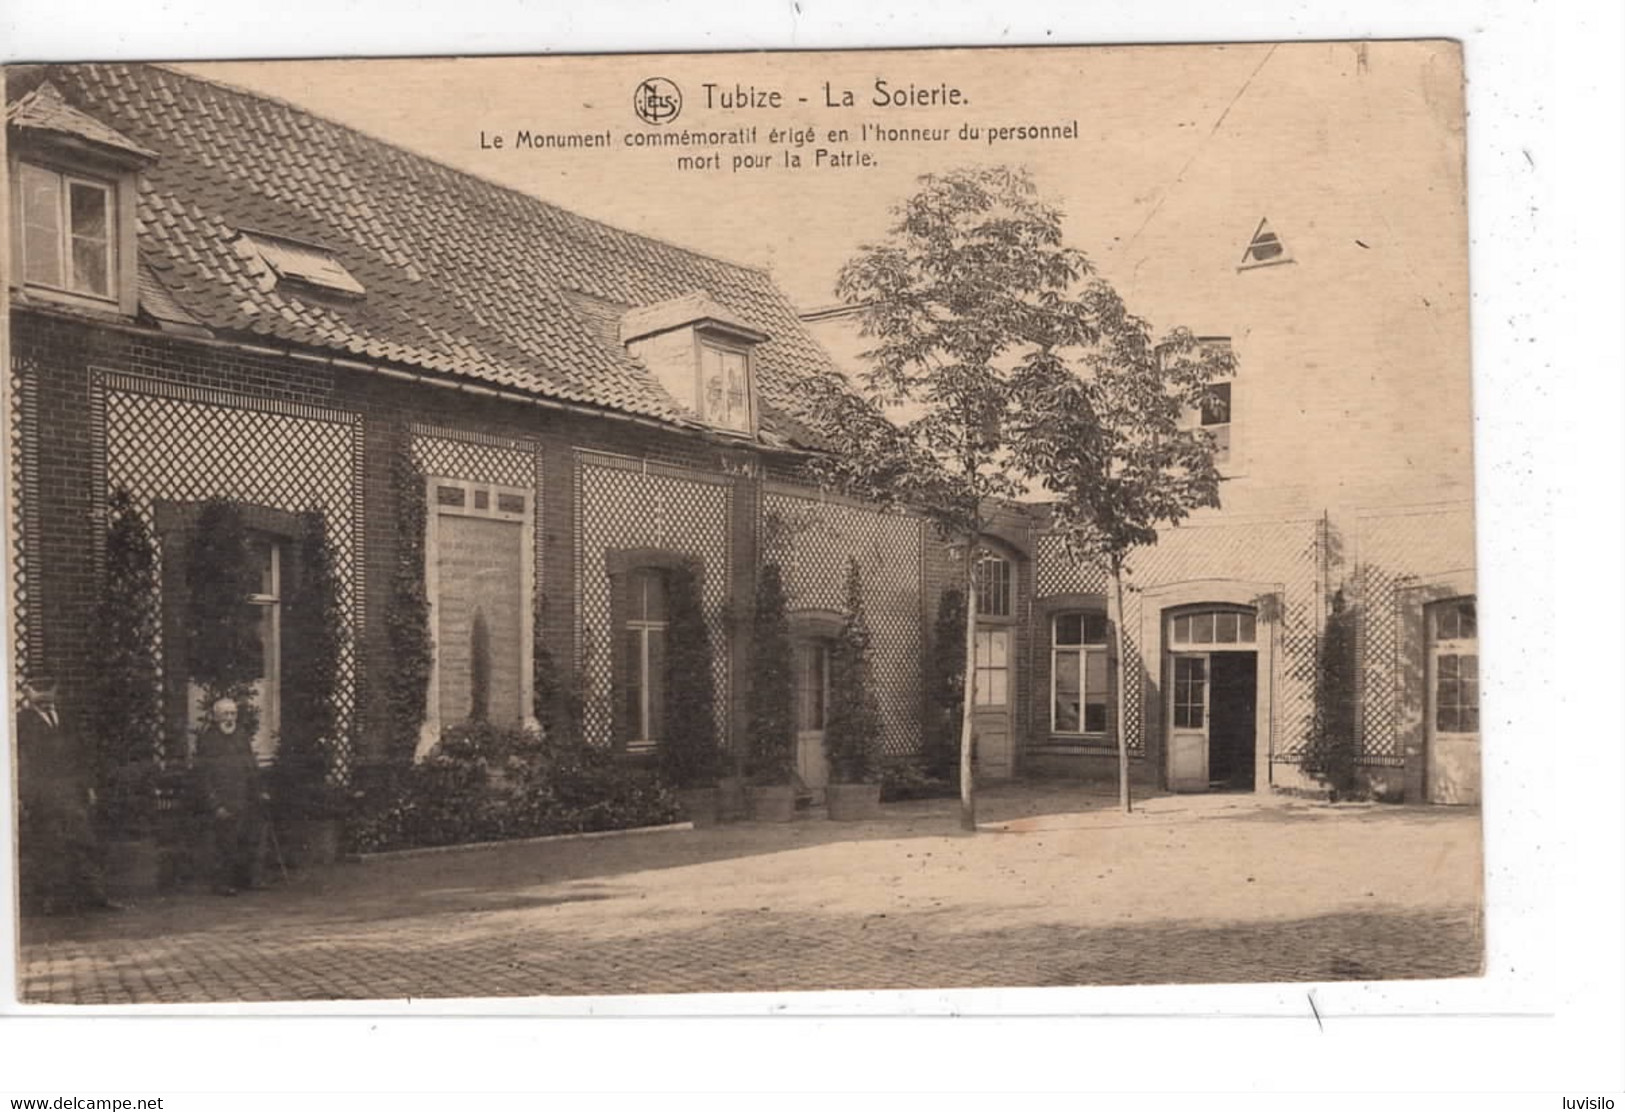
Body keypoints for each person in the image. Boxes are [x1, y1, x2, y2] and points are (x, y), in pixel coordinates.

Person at [15, 675, 117, 914]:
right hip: (42, 794)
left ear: (56, 690)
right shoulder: (20, 722)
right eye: (36, 690)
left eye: (48, 689)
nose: (43, 695)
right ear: (27, 693)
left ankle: (95, 896)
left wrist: (89, 787)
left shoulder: (67, 719)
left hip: (71, 792)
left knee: (84, 842)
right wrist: (21, 796)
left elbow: (80, 755)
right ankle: (50, 901)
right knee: (49, 845)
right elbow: (19, 762)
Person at [193, 697, 267, 896]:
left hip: (244, 797)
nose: (230, 718)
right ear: (216, 717)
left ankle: (247, 880)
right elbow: (203, 776)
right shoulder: (208, 740)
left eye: (233, 713)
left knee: (248, 839)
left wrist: (259, 790)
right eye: (225, 714)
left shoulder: (241, 736)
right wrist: (215, 804)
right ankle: (222, 883)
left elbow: (251, 765)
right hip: (223, 799)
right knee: (224, 843)